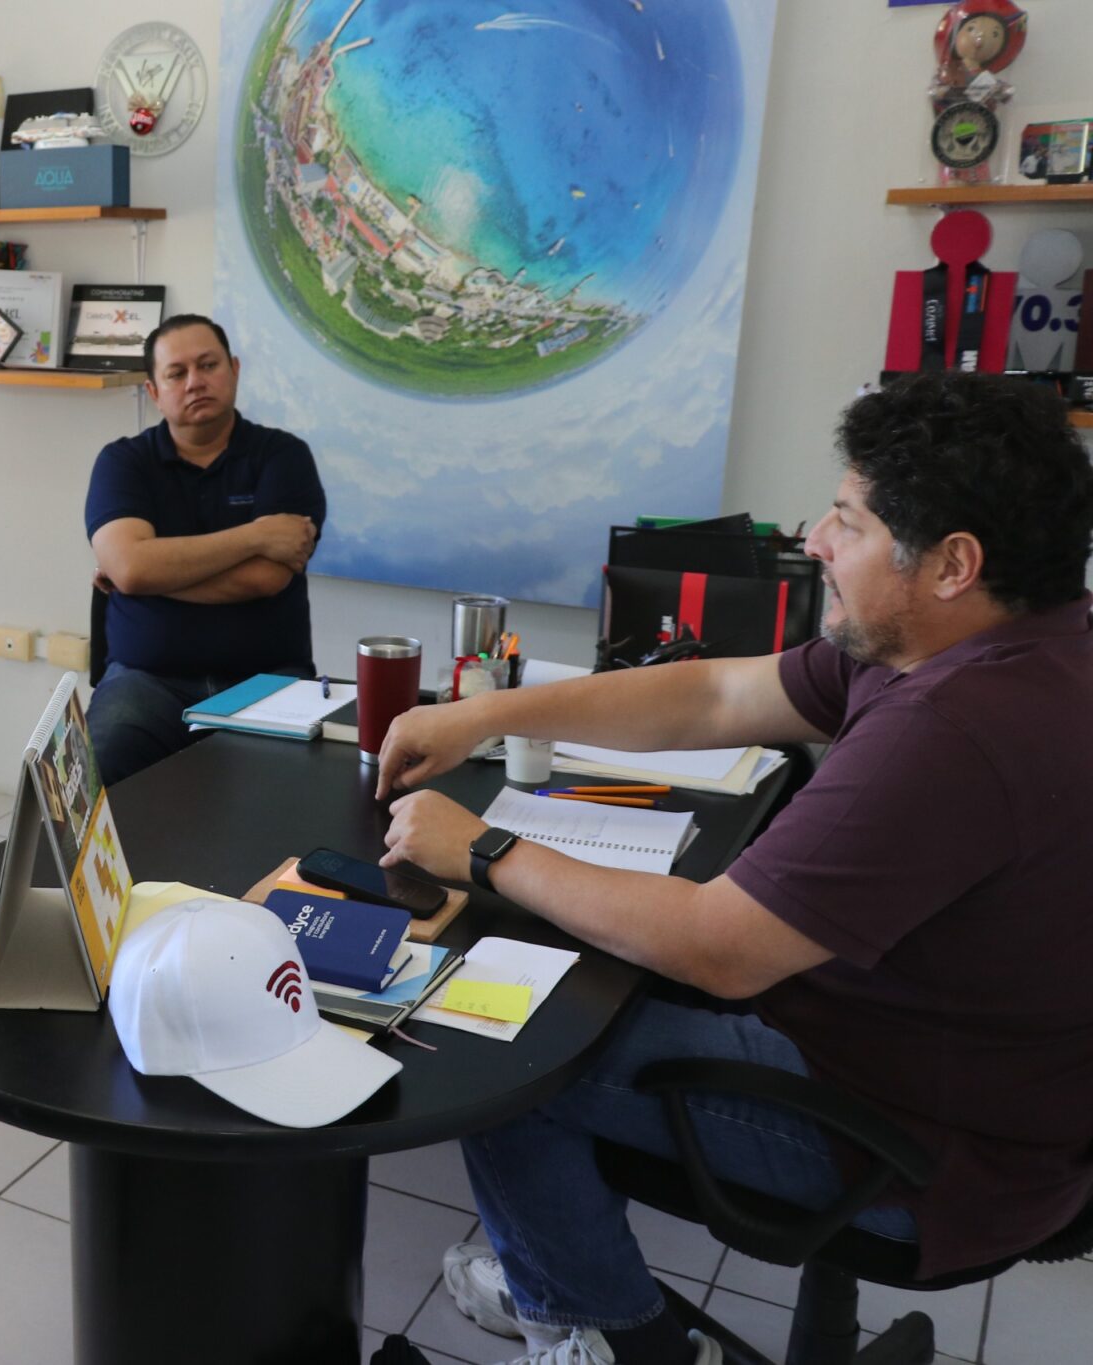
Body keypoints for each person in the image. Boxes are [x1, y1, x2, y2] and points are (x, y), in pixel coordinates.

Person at [371, 372, 1093, 1365]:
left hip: (918, 1149)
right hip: (935, 1070)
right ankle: (561, 1277)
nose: (814, 540)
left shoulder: (957, 728)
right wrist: (482, 713)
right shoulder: (984, 645)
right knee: (568, 971)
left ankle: (616, 1339)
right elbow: (712, 696)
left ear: (951, 564)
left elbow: (720, 947)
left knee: (508, 1049)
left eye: (847, 520)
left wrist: (481, 848)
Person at [83, 314, 327, 784]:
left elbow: (266, 578)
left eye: (208, 365)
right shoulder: (123, 462)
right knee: (98, 770)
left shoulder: (283, 456)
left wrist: (148, 573)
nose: (195, 382)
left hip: (266, 677)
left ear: (234, 370)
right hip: (145, 679)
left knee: (282, 794)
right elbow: (131, 568)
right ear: (154, 391)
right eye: (176, 373)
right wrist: (255, 536)